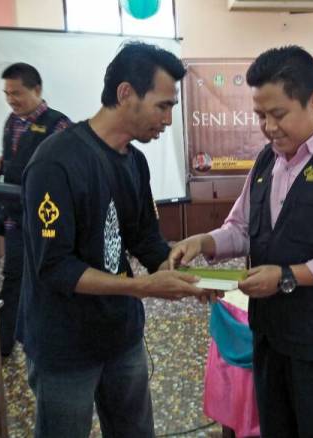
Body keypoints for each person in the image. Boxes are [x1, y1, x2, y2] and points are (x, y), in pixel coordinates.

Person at [169, 46, 313, 437]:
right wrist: (202, 242)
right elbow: (242, 228)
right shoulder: (266, 161)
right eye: (260, 116)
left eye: (278, 114)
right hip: (271, 339)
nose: (268, 127)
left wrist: (288, 276)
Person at [16, 42, 206, 438]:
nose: (168, 120)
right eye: (163, 106)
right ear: (125, 93)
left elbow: (144, 238)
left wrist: (179, 269)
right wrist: (142, 287)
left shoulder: (134, 161)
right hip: (65, 345)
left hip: (122, 336)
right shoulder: (56, 162)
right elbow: (56, 268)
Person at [0, 63, 72, 357]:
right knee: (13, 278)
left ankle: (53, 338)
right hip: (14, 217)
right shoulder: (11, 122)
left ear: (37, 89)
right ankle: (1, 343)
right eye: (7, 94)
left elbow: (70, 167)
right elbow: (9, 157)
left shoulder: (58, 125)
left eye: (17, 93)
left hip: (46, 219)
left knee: (50, 278)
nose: (11, 100)